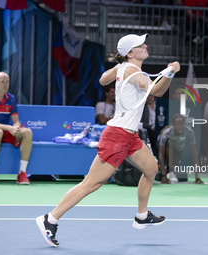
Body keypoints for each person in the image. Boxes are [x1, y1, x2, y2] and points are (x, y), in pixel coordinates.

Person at [36, 33, 180, 247]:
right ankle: (51, 218)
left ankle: (142, 216)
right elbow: (156, 91)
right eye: (141, 45)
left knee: (151, 169)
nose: (145, 46)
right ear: (131, 52)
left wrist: (118, 69)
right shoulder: (132, 71)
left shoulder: (123, 68)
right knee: (91, 183)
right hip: (117, 135)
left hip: (129, 134)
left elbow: (103, 79)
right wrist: (170, 72)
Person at [0, 72, 33, 185]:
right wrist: (9, 127)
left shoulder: (11, 98)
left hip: (4, 132)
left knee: (27, 132)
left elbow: (16, 121)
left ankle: (22, 173)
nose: (5, 84)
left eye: (7, 81)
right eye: (2, 81)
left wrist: (16, 127)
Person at [158, 114, 204, 184]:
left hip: (178, 151)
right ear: (173, 125)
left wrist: (197, 175)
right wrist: (164, 175)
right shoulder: (166, 133)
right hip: (166, 151)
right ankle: (166, 169)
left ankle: (170, 171)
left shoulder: (189, 132)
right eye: (177, 124)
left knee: (174, 171)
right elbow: (161, 153)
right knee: (170, 142)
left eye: (182, 124)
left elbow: (194, 153)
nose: (180, 127)